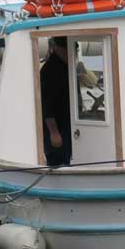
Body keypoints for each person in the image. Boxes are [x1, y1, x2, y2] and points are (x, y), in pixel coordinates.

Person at [41, 36, 72, 166]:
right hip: (57, 126)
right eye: (71, 49)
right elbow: (47, 104)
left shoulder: (67, 67)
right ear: (60, 48)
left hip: (67, 123)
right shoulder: (50, 70)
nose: (73, 53)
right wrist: (54, 132)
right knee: (57, 157)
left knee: (66, 154)